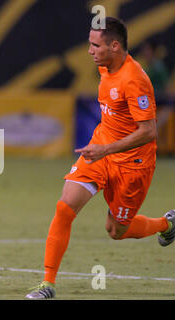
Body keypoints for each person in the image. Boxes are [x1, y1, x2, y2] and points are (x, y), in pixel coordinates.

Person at [26, 17, 175, 299]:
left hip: (133, 164)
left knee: (117, 230)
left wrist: (107, 149)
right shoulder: (106, 68)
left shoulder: (135, 80)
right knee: (65, 207)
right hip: (100, 151)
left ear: (114, 46)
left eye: (95, 45)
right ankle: (47, 284)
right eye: (89, 44)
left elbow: (149, 131)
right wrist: (103, 148)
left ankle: (167, 224)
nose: (90, 51)